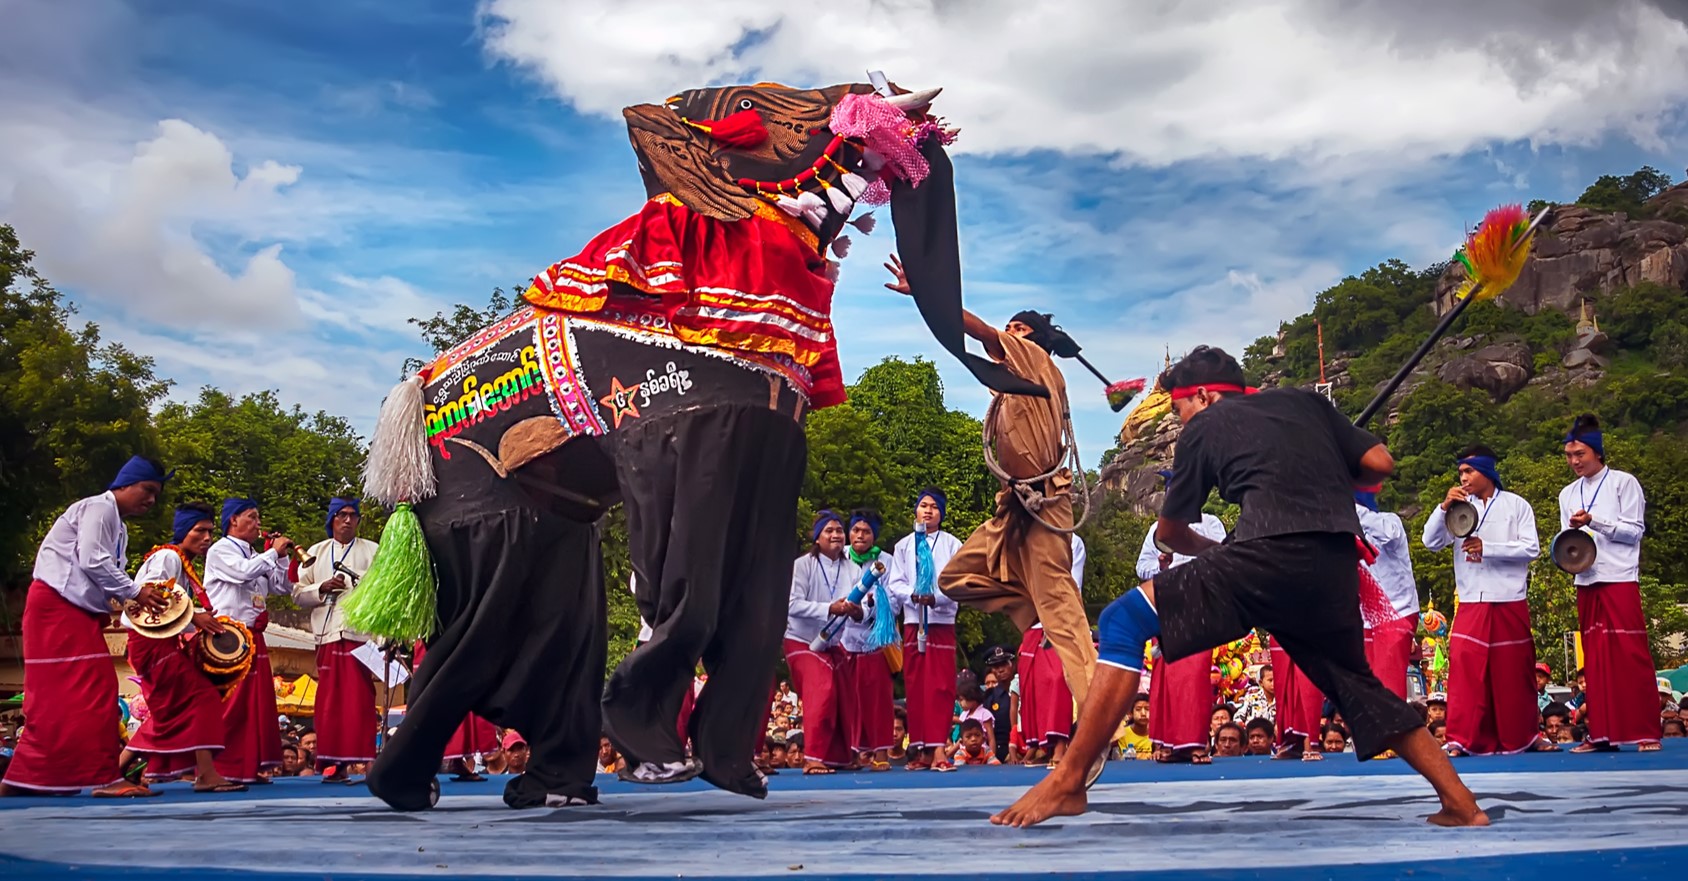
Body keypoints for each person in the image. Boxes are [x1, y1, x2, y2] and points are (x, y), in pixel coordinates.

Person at [991, 346, 1486, 828]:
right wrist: (1335, 467)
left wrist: (1217, 553)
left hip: (1267, 554)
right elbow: (1380, 463)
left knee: (1123, 619)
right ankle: (1462, 803)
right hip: (1334, 565)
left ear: (1203, 396)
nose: (1181, 419)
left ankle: (1069, 780)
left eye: (1181, 407)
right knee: (1362, 687)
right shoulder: (1307, 402)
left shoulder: (1204, 426)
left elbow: (1168, 533)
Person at [888, 260, 1095, 723]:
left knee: (1063, 615)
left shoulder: (1035, 362)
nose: (1009, 332)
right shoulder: (1008, 388)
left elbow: (979, 331)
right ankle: (1032, 607)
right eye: (1010, 328)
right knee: (955, 577)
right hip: (1012, 510)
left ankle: (1100, 712)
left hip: (1044, 505)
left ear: (1035, 341)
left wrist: (926, 291)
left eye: (1019, 328)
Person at [1, 456, 173, 798]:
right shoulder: (99, 508)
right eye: (147, 490)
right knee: (93, 692)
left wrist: (118, 601)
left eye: (156, 494)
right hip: (58, 609)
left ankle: (28, 779)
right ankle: (102, 778)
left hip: (67, 610)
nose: (152, 500)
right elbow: (92, 560)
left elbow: (95, 571)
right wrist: (136, 591)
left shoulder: (117, 525)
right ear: (123, 485)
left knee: (59, 698)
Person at [1423, 446, 1557, 756]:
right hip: (1471, 599)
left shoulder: (1516, 505)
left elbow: (1531, 549)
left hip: (1509, 597)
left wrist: (1489, 548)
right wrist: (1443, 507)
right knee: (1467, 672)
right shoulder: (1457, 507)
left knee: (1514, 672)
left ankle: (1524, 737)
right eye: (1461, 473)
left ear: (1487, 471)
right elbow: (1430, 542)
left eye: (1469, 471)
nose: (1464, 478)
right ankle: (1462, 740)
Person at [118, 503, 244, 792]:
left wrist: (197, 617)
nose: (207, 538)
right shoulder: (167, 558)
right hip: (151, 644)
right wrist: (195, 618)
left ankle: (116, 769)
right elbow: (148, 603)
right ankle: (206, 775)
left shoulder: (179, 561)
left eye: (211, 532)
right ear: (183, 532)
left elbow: (172, 605)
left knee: (169, 712)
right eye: (200, 531)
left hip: (158, 643)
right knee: (203, 696)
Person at [1557, 415, 1662, 753]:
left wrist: (1595, 522)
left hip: (1618, 577)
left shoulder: (1623, 483)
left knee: (1630, 655)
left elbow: (1634, 531)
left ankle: (1646, 731)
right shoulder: (1567, 493)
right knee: (1596, 660)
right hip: (1586, 579)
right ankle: (1600, 734)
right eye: (1570, 455)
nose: (1574, 462)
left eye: (1581, 454)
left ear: (1597, 453)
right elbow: (1567, 539)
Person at [203, 498, 298, 783]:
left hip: (253, 635)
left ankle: (249, 765)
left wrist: (281, 557)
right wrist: (270, 555)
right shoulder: (220, 550)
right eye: (252, 517)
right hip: (228, 637)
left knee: (256, 704)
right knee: (233, 703)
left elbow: (280, 587)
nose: (258, 524)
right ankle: (223, 767)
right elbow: (242, 572)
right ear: (233, 520)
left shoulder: (255, 554)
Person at [294, 498, 381, 783]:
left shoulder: (374, 551)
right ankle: (335, 766)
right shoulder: (315, 553)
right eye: (341, 515)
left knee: (362, 702)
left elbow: (385, 592)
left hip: (361, 635)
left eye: (353, 515)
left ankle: (369, 762)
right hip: (327, 635)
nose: (347, 520)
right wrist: (322, 587)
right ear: (332, 519)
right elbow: (296, 593)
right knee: (330, 704)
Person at [1137, 494, 1226, 764]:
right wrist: (1160, 566)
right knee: (1167, 675)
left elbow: (1225, 559)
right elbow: (1141, 568)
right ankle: (1168, 744)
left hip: (1199, 604)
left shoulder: (1211, 524)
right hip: (1168, 605)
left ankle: (1195, 744)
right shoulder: (1157, 530)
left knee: (1195, 674)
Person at [886, 489, 963, 771]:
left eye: (933, 507)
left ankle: (940, 748)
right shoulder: (904, 545)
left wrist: (936, 597)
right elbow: (896, 582)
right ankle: (922, 751)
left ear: (941, 513)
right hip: (912, 621)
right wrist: (914, 595)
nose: (927, 511)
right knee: (917, 686)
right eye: (923, 506)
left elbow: (960, 583)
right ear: (915, 511)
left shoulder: (953, 545)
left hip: (940, 621)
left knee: (940, 686)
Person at [782, 510, 856, 773]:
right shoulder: (801, 565)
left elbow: (864, 608)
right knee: (822, 688)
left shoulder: (854, 569)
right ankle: (813, 757)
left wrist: (860, 612)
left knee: (844, 695)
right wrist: (829, 609)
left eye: (839, 530)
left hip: (833, 643)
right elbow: (790, 605)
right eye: (829, 531)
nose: (836, 535)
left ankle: (838, 756)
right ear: (817, 538)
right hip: (800, 640)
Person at [1017, 532, 1091, 767]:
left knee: (1058, 679)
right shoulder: (1023, 538)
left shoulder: (1072, 541)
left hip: (1060, 618)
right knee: (1031, 683)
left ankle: (1060, 744)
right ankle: (1039, 745)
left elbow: (1072, 584)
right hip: (1031, 619)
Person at [840, 510, 898, 771]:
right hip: (844, 639)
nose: (859, 535)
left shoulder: (886, 561)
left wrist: (867, 611)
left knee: (878, 700)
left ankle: (881, 750)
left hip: (875, 638)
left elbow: (894, 600)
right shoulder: (839, 558)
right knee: (848, 700)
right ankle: (850, 752)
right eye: (855, 530)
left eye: (866, 531)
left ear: (874, 536)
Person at [1354, 486, 1420, 699]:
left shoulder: (1390, 521)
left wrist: (1349, 508)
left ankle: (1394, 732)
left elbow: (1387, 534)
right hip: (1366, 618)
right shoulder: (1348, 533)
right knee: (1366, 687)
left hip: (1397, 611)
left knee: (1387, 686)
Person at [981, 646, 1017, 764]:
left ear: (1013, 664)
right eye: (996, 666)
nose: (1001, 670)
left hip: (1027, 748)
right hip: (1001, 753)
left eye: (1004, 664)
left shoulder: (1025, 689)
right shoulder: (990, 697)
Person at [1115, 694, 1154, 760]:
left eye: (1147, 709)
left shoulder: (1156, 735)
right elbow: (1121, 757)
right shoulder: (1122, 733)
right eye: (1138, 709)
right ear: (1131, 713)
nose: (1143, 714)